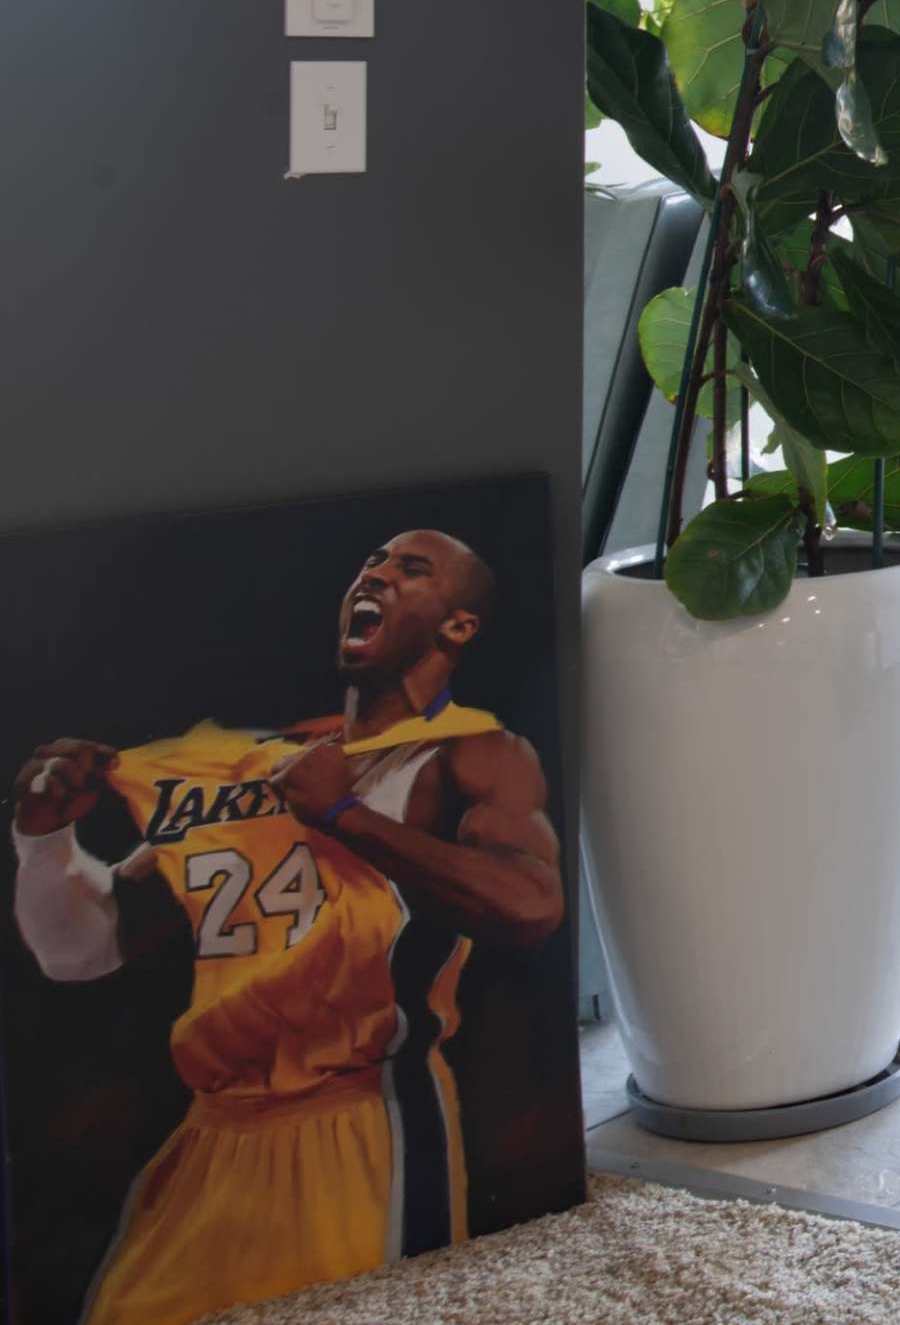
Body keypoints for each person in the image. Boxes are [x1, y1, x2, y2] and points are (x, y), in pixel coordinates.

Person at [12, 530, 562, 1325]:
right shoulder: (254, 763)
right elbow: (82, 951)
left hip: (362, 1116)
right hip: (212, 1134)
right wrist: (44, 841)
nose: (376, 573)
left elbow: (533, 906)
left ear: (458, 626)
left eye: (412, 568)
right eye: (371, 561)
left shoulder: (474, 751)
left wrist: (344, 816)